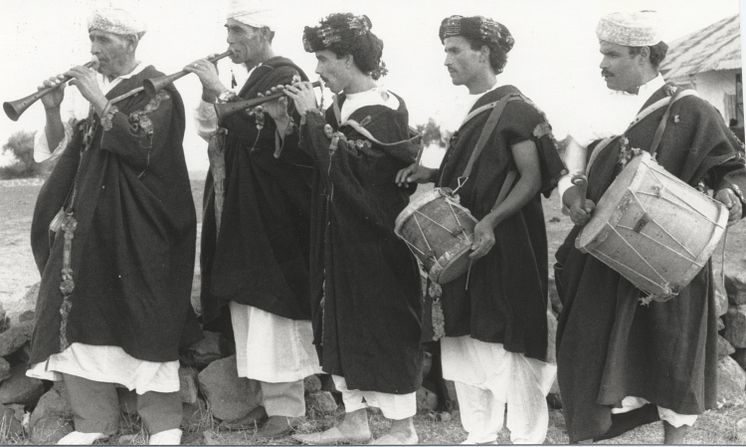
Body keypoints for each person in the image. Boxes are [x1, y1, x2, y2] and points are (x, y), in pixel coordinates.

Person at [555, 10, 746, 444]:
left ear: (643, 55)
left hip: (666, 258)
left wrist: (733, 195)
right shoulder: (592, 108)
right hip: (603, 259)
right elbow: (572, 166)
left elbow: (733, 168)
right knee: (585, 353)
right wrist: (572, 192)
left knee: (669, 356)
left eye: (612, 55)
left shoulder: (692, 108)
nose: (602, 64)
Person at [26, 4, 200, 445]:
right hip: (92, 231)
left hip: (142, 226)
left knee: (147, 313)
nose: (93, 50)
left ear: (131, 42)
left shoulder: (157, 88)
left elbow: (143, 146)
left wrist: (98, 100)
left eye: (103, 40)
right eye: (92, 40)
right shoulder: (104, 91)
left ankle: (164, 425)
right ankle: (94, 422)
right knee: (85, 314)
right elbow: (64, 155)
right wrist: (51, 108)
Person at [396, 15, 565, 444]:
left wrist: (491, 221)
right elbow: (439, 165)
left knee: (508, 331)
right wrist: (416, 171)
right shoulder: (448, 109)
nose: (447, 60)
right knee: (464, 329)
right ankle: (480, 432)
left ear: (484, 53)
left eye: (455, 50)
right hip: (458, 238)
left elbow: (530, 177)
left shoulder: (518, 108)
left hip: (506, 237)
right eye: (445, 51)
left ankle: (527, 433)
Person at [282, 13, 423, 445]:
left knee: (383, 324)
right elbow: (316, 159)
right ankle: (354, 419)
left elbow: (346, 169)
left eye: (324, 60)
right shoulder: (341, 106)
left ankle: (402, 428)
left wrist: (309, 119)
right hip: (340, 236)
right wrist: (288, 120)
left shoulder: (383, 109)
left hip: (375, 238)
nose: (318, 70)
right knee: (340, 320)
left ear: (348, 58)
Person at [184, 0, 319, 438]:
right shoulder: (254, 78)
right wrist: (212, 93)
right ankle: (268, 400)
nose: (230, 43)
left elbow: (266, 140)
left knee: (272, 304)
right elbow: (212, 128)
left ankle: (288, 407)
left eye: (238, 33)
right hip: (243, 204)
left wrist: (220, 90)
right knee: (249, 303)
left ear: (264, 34)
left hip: (273, 210)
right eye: (228, 34)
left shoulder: (285, 75)